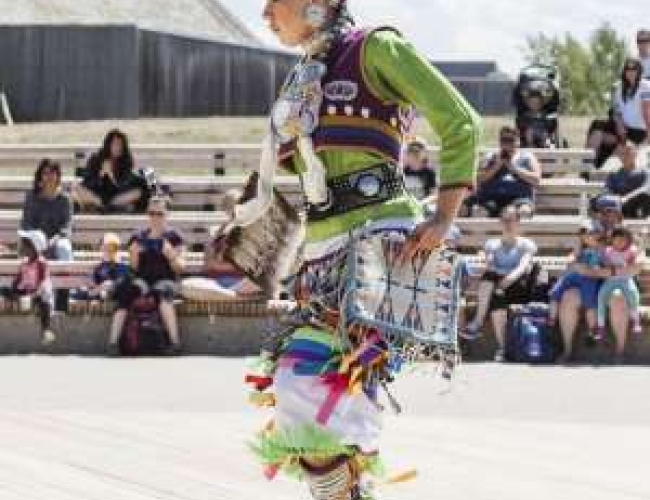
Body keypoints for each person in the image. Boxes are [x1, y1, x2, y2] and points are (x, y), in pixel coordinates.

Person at [240, 1, 480, 498]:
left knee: (331, 396)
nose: (264, 12)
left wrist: (444, 218)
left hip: (382, 248)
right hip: (322, 257)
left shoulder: (376, 47)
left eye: (273, 1)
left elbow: (461, 121)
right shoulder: (303, 74)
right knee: (296, 387)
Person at [107, 197, 185, 354]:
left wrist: (170, 254)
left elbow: (181, 268)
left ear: (167, 215)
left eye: (160, 214)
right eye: (152, 213)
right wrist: (134, 254)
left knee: (162, 293)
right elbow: (134, 268)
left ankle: (175, 343)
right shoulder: (138, 236)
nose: (155, 218)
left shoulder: (174, 237)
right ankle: (112, 343)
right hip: (142, 280)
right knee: (125, 293)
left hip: (166, 279)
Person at [462, 207, 538, 361]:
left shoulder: (527, 244)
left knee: (493, 285)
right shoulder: (492, 244)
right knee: (497, 302)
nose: (508, 224)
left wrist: (504, 282)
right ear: (500, 223)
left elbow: (521, 268)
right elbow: (490, 267)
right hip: (497, 288)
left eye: (512, 220)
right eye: (504, 220)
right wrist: (488, 263)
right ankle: (502, 349)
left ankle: (477, 322)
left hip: (518, 285)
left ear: (518, 222)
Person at [181, 190, 261, 301]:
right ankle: (235, 298)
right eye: (231, 207)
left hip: (243, 283)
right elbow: (207, 265)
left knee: (259, 283)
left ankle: (233, 296)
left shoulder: (252, 232)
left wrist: (221, 263)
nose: (236, 211)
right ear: (226, 210)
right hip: (216, 284)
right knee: (186, 285)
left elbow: (252, 266)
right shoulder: (217, 232)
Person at [548, 220, 604, 359]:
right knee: (556, 292)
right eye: (583, 234)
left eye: (590, 233)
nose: (586, 236)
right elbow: (572, 259)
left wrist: (592, 268)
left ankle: (593, 330)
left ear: (598, 235)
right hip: (575, 276)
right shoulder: (581, 248)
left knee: (589, 302)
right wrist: (575, 253)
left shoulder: (601, 249)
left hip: (590, 279)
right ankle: (551, 319)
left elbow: (599, 267)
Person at [465, 127, 541, 218]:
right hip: (491, 197)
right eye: (504, 140)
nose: (507, 144)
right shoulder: (490, 156)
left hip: (519, 198)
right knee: (478, 213)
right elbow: (479, 179)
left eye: (511, 140)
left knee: (521, 212)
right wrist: (496, 167)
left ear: (518, 141)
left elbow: (536, 180)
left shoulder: (527, 157)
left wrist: (514, 168)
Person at [72, 129, 149, 213]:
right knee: (76, 187)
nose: (118, 147)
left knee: (138, 192)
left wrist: (111, 175)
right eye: (115, 144)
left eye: (120, 145)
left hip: (117, 197)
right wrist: (101, 174)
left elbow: (123, 186)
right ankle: (104, 207)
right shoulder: (96, 158)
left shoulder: (126, 161)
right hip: (97, 196)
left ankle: (105, 208)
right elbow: (87, 182)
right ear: (108, 145)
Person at [0, 230, 56, 344]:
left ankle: (46, 330)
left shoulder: (41, 263)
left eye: (25, 244)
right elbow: (18, 279)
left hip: (39, 294)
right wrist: (14, 290)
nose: (22, 246)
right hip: (26, 292)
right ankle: (20, 299)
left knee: (44, 303)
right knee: (3, 290)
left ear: (34, 247)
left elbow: (42, 283)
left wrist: (32, 295)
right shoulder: (25, 262)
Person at [21, 159, 73, 262]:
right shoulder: (31, 197)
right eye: (45, 173)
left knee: (64, 247)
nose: (49, 177)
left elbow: (66, 226)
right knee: (26, 247)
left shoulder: (65, 199)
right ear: (40, 176)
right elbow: (26, 223)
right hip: (34, 241)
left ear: (58, 176)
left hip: (56, 242)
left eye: (52, 173)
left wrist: (56, 238)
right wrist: (37, 237)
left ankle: (67, 276)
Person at [596, 226, 642, 338]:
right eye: (618, 239)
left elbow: (636, 259)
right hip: (610, 280)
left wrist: (641, 240)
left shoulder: (631, 251)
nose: (620, 242)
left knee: (633, 295)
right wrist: (607, 262)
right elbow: (605, 263)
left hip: (625, 279)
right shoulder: (608, 251)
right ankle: (600, 326)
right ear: (612, 240)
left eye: (624, 240)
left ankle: (636, 321)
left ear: (628, 241)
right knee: (601, 297)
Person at [604, 140, 650, 218]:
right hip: (619, 207)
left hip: (638, 207)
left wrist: (627, 198)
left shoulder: (644, 172)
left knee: (645, 196)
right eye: (622, 153)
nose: (625, 155)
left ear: (635, 153)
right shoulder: (614, 174)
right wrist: (617, 199)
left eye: (628, 152)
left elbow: (645, 188)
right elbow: (608, 190)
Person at [613, 58, 650, 145]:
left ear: (639, 70)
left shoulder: (646, 86)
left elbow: (647, 111)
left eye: (634, 69)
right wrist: (620, 125)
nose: (631, 71)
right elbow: (616, 110)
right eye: (628, 69)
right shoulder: (619, 87)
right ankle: (589, 157)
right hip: (625, 129)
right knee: (597, 126)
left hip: (642, 130)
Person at [403, 137, 437, 204]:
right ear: (407, 154)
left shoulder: (429, 173)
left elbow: (434, 195)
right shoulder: (402, 172)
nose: (415, 154)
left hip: (423, 207)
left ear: (424, 153)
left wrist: (421, 203)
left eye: (418, 151)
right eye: (411, 150)